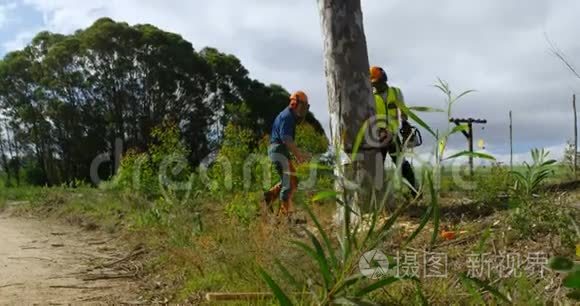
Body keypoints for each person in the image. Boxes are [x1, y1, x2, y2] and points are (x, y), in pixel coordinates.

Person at [369, 66, 418, 196]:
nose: (376, 86)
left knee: (401, 164)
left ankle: (415, 192)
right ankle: (378, 197)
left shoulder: (395, 92)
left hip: (393, 135)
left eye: (378, 82)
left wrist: (405, 123)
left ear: (384, 79)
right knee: (377, 167)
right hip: (378, 137)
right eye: (374, 83)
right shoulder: (371, 97)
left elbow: (403, 110)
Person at [263, 91, 311, 217]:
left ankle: (270, 195)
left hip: (279, 150)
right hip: (278, 150)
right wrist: (299, 156)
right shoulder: (287, 117)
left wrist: (299, 153)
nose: (304, 110)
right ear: (295, 103)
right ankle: (287, 217)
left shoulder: (287, 116)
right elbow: (286, 139)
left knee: (293, 181)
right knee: (289, 182)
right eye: (303, 106)